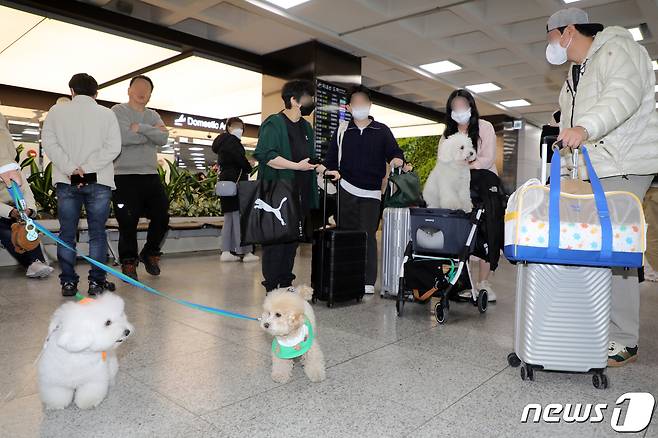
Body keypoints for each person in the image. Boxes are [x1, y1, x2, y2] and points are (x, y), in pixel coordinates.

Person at [545, 8, 658, 366]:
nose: (550, 45)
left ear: (569, 31)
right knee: (593, 246)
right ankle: (598, 326)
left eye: (551, 36)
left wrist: (584, 128)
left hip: (625, 164)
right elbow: (571, 125)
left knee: (618, 249)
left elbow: (621, 98)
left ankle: (624, 338)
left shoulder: (616, 50)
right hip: (595, 167)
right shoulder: (574, 73)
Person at [41, 73, 121, 296]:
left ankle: (68, 283)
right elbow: (114, 147)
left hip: (67, 179)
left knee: (67, 233)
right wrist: (88, 168)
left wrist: (72, 169)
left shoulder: (56, 111)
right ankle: (96, 282)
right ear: (96, 93)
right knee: (97, 233)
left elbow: (49, 142)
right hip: (99, 180)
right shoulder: (107, 114)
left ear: (72, 91)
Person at [253, 80, 334, 293]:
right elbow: (266, 156)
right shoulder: (274, 123)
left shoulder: (306, 127)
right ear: (294, 100)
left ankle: (286, 282)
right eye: (309, 99)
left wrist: (324, 170)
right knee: (275, 241)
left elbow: (310, 160)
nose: (312, 103)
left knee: (292, 239)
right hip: (277, 191)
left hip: (300, 192)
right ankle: (272, 286)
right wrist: (295, 166)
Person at [324, 85, 404, 295]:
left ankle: (368, 280)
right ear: (349, 107)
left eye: (363, 102)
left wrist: (397, 160)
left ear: (369, 105)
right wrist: (330, 171)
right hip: (345, 188)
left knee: (367, 235)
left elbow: (395, 152)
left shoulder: (382, 130)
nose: (360, 106)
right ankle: (346, 275)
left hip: (371, 192)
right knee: (345, 235)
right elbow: (331, 159)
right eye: (355, 103)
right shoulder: (342, 131)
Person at [442, 89, 498, 302]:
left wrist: (466, 165)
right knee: (461, 235)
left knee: (485, 233)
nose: (458, 110)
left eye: (462, 105)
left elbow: (488, 158)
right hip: (458, 190)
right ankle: (463, 282)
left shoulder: (485, 127)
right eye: (454, 107)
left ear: (471, 107)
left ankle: (484, 283)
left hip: (483, 187)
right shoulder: (448, 133)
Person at [111, 75, 170, 281]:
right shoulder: (118, 111)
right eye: (138, 86)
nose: (142, 91)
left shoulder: (153, 114)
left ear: (151, 94)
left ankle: (150, 252)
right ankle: (128, 261)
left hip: (150, 175)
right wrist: (150, 134)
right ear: (129, 90)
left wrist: (141, 128)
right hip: (124, 176)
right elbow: (122, 137)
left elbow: (163, 138)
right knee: (127, 221)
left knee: (162, 216)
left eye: (147, 88)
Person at [0, 111, 53, 278]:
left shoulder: (14, 167)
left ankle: (37, 262)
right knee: (7, 231)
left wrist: (28, 210)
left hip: (19, 210)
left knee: (28, 227)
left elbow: (26, 191)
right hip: (4, 213)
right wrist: (9, 212)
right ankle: (33, 263)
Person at [212, 116, 258, 263]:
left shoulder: (221, 143)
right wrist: (249, 166)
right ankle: (245, 252)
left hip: (225, 183)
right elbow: (240, 160)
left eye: (241, 126)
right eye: (236, 126)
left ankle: (226, 251)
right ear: (228, 127)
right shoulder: (232, 141)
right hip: (237, 184)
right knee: (240, 218)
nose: (239, 129)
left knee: (229, 219)